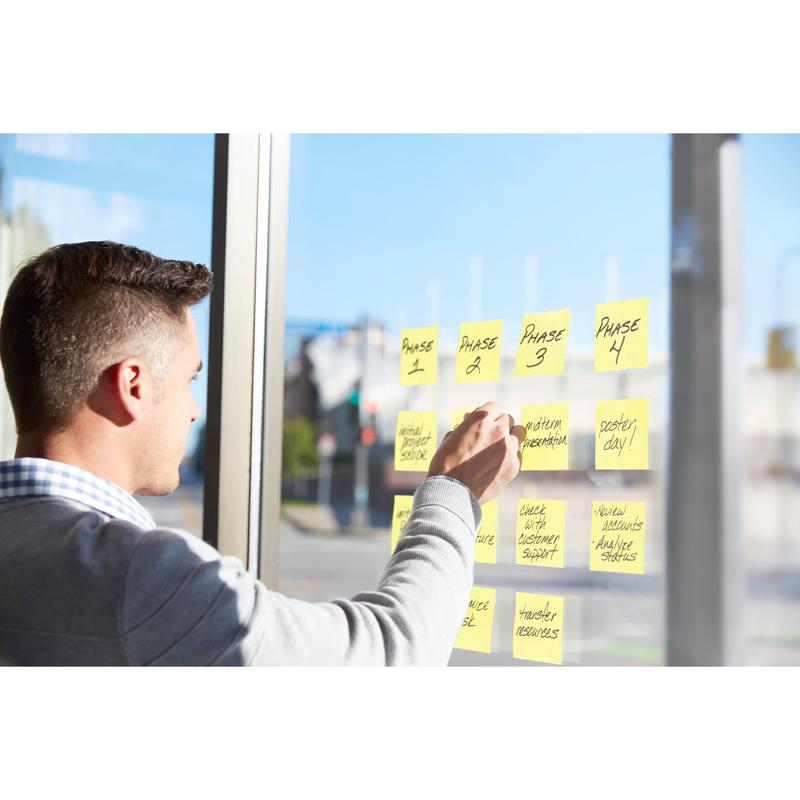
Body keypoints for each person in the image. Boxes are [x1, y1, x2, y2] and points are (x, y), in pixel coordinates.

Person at [0, 241, 525, 666]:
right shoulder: (141, 577)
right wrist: (453, 491)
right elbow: (393, 654)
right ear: (132, 386)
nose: (193, 411)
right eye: (190, 380)